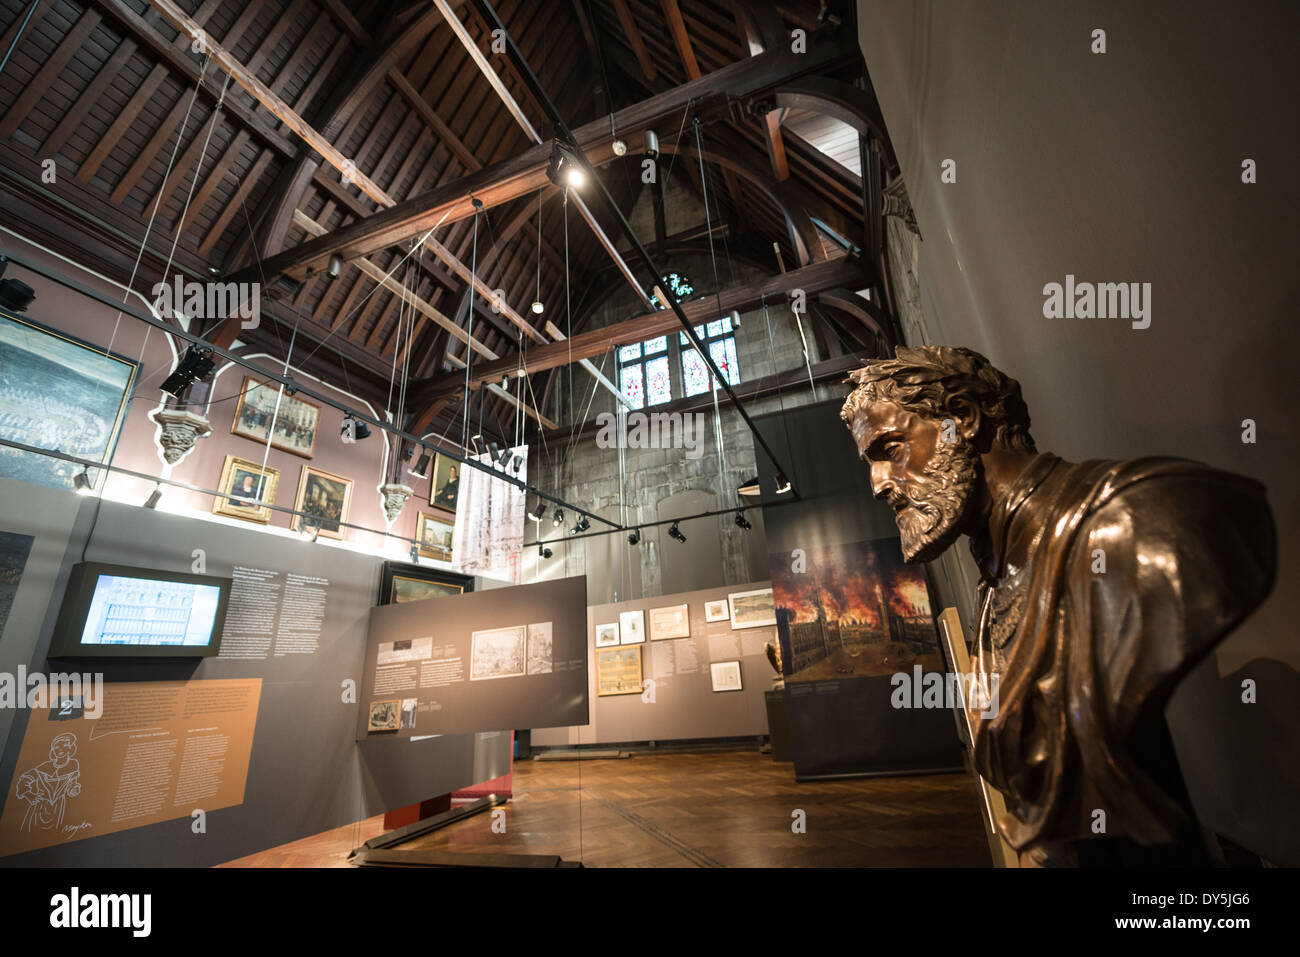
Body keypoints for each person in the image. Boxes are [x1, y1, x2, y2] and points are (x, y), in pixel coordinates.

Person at [840, 345, 1276, 866]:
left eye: (890, 448)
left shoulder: (1140, 519)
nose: (877, 485)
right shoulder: (994, 585)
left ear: (962, 419)